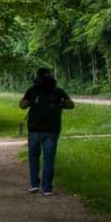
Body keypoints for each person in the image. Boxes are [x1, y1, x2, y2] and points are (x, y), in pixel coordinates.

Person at [20, 67, 74, 196]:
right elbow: (71, 104)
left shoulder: (33, 91)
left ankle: (34, 184)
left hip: (34, 128)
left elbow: (22, 105)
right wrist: (59, 105)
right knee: (49, 158)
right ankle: (47, 188)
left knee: (33, 156)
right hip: (52, 129)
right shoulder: (58, 91)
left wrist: (31, 102)